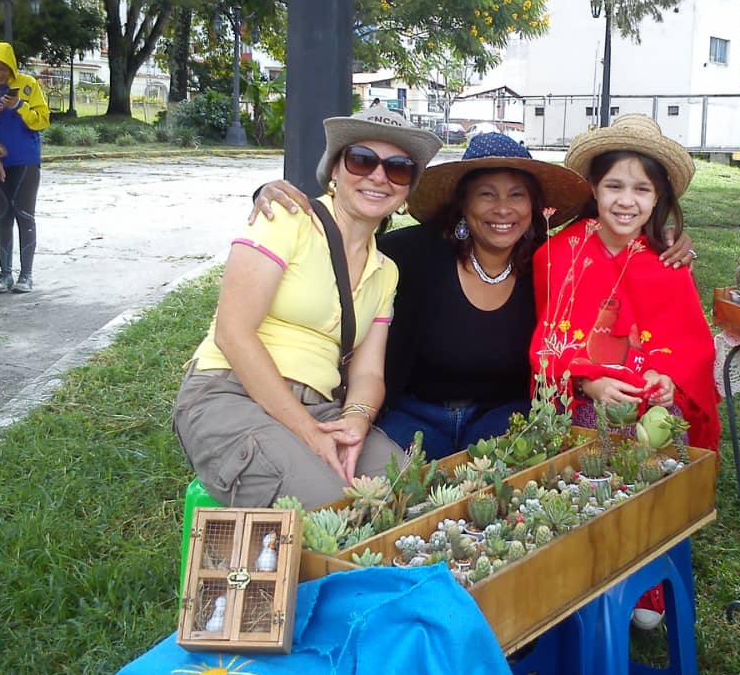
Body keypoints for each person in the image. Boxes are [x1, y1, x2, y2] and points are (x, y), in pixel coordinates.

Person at [252, 134, 699, 460]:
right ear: (463, 204)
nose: (502, 209)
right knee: (390, 494)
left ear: (533, 207)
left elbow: (609, 266)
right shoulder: (413, 254)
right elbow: (348, 236)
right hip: (412, 413)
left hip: (500, 415)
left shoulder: (547, 265)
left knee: (509, 490)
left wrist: (670, 239)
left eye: (516, 196)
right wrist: (279, 198)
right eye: (486, 195)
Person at [172, 108, 442, 508]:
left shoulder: (385, 271)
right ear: (334, 169)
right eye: (362, 160)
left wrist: (355, 420)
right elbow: (233, 332)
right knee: (334, 507)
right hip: (231, 392)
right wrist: (308, 432)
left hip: (322, 405)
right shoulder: (286, 218)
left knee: (412, 497)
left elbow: (368, 371)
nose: (379, 177)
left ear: (407, 190)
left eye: (398, 169)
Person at [529, 114, 721, 630]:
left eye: (642, 189)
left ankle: (643, 558)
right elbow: (550, 340)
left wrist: (667, 382)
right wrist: (588, 379)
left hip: (649, 403)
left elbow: (690, 345)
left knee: (656, 448)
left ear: (657, 199)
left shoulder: (668, 263)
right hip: (584, 399)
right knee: (595, 441)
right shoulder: (557, 254)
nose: (626, 200)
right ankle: (580, 554)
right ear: (593, 188)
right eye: (614, 185)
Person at [0, 41, 50, 293]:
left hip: (26, 161)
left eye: (3, 69)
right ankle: (4, 275)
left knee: (25, 216)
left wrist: (19, 107)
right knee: (1, 217)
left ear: (12, 67)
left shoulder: (27, 85)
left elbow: (42, 121)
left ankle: (26, 275)